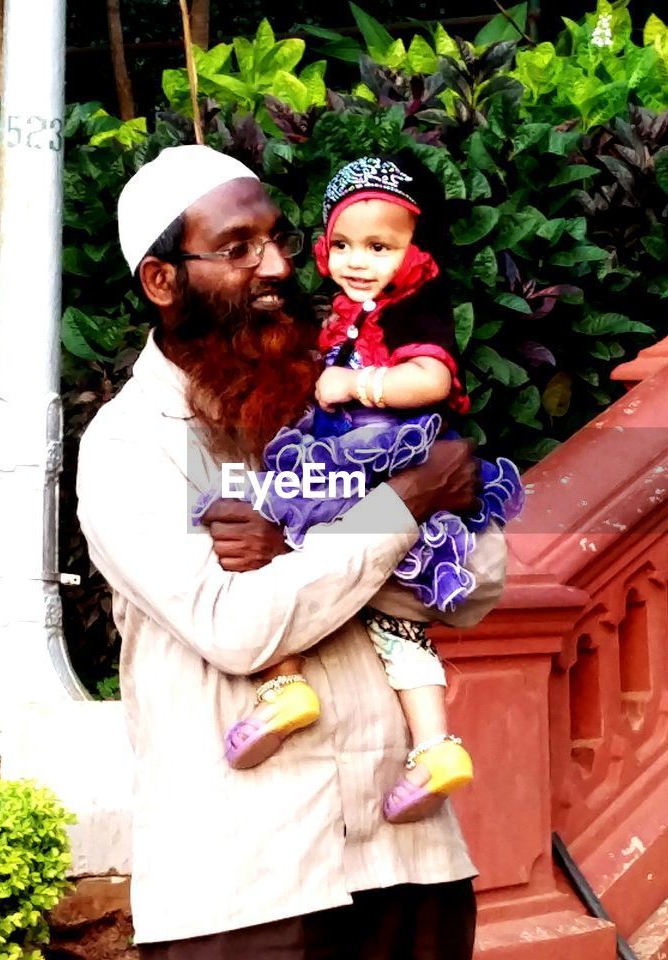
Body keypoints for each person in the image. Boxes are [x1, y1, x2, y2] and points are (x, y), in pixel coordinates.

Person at [75, 143, 508, 959]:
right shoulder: (132, 445)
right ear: (162, 281)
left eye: (276, 238)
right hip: (249, 886)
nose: (276, 265)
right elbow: (239, 627)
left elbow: (476, 581)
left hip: (409, 857)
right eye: (238, 249)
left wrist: (308, 543)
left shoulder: (344, 395)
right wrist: (399, 508)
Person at [209, 155, 523, 827]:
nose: (358, 261)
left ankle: (287, 684)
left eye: (380, 247)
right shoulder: (352, 310)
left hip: (373, 461)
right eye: (345, 244)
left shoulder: (412, 310)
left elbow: (432, 381)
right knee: (392, 620)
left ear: (417, 252)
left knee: (286, 543)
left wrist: (360, 386)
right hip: (356, 466)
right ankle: (431, 745)